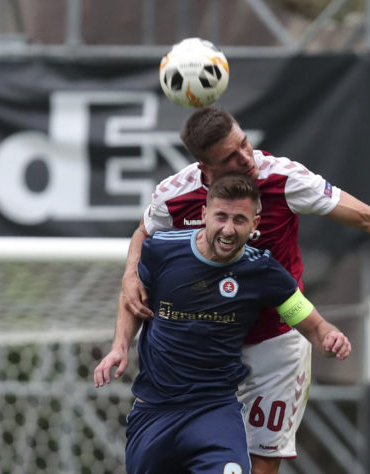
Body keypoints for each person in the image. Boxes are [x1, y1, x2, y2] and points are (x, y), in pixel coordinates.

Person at [120, 107, 370, 474]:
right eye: (230, 157)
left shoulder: (283, 178)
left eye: (244, 144)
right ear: (206, 170)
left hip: (275, 343)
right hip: (206, 346)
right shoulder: (175, 194)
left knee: (260, 464)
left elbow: (365, 215)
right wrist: (130, 274)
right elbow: (144, 232)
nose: (246, 158)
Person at [95, 174, 351, 474]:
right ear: (204, 214)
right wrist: (119, 347)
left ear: (255, 224)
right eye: (221, 217)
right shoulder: (161, 251)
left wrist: (329, 338)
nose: (228, 229)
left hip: (214, 412)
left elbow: (314, 325)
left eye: (239, 220)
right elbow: (132, 298)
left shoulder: (262, 270)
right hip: (154, 412)